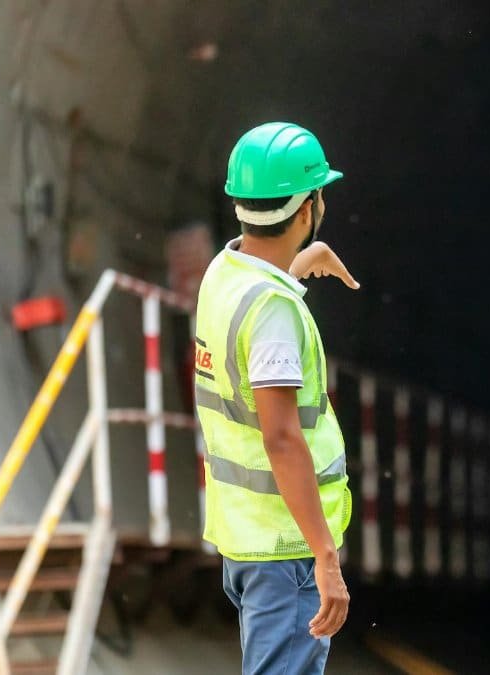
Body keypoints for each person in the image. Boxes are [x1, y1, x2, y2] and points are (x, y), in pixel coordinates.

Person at [194, 122, 359, 675]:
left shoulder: (223, 274)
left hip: (247, 540)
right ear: (309, 205)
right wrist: (324, 555)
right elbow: (282, 437)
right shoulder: (274, 311)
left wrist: (297, 265)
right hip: (285, 547)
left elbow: (253, 318)